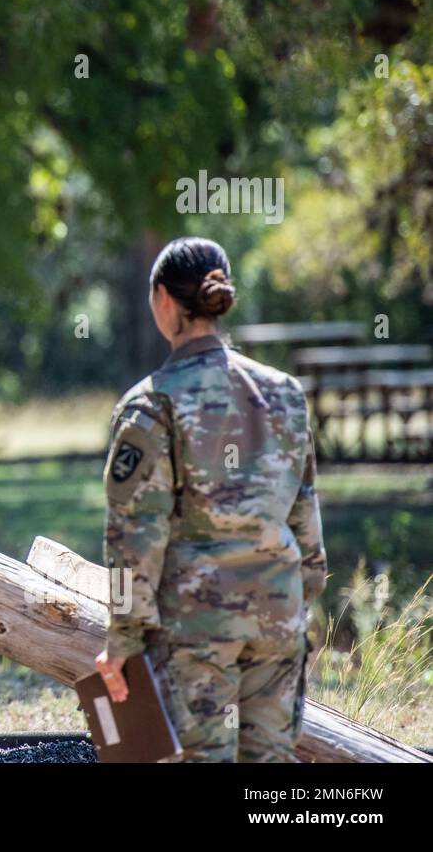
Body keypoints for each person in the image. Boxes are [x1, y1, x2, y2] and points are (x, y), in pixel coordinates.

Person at [93, 236, 327, 762]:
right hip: (278, 618)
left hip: (193, 630)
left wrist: (125, 639)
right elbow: (305, 517)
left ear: (162, 301)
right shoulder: (285, 393)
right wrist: (300, 599)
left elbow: (134, 536)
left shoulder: (151, 403)